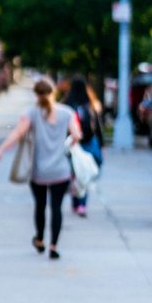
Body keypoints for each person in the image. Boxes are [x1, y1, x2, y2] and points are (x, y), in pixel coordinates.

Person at [0, 77, 81, 260]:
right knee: (56, 208)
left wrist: (0, 150)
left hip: (38, 172)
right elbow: (77, 135)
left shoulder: (31, 113)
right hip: (60, 171)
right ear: (53, 92)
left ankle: (40, 240)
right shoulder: (67, 113)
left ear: (36, 94)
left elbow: (17, 133)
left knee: (40, 206)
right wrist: (68, 145)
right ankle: (54, 246)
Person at [63, 75, 104, 217]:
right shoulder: (91, 104)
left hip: (73, 143)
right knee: (85, 173)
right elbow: (98, 126)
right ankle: (82, 204)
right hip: (88, 141)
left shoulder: (67, 104)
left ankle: (75, 203)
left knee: (75, 173)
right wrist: (101, 144)